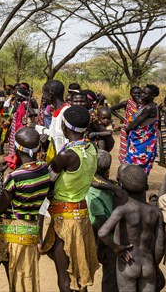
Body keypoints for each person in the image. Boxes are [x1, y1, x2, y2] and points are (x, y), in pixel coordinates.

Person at [41, 105, 99, 292]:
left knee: (65, 278)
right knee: (79, 273)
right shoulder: (92, 149)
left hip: (65, 220)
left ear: (64, 128)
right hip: (82, 216)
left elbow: (47, 179)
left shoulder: (66, 155)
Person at [0, 127, 50, 292]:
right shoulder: (44, 169)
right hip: (31, 230)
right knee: (25, 278)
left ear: (16, 149)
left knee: (18, 281)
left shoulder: (15, 177)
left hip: (16, 234)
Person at [99, 165, 165, 292]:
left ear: (122, 187)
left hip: (128, 264)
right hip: (147, 263)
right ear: (146, 187)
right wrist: (155, 266)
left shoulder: (121, 210)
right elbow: (160, 245)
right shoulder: (155, 212)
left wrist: (116, 248)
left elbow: (102, 233)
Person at [85, 150, 119, 291]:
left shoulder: (92, 191)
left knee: (109, 282)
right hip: (116, 237)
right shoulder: (114, 186)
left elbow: (100, 221)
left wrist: (99, 247)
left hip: (107, 241)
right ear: (108, 170)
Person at [124, 84, 160, 175]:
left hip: (141, 144)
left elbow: (133, 125)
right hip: (141, 142)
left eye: (145, 93)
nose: (142, 95)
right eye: (142, 92)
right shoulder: (147, 106)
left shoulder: (149, 108)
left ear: (153, 95)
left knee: (134, 168)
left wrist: (127, 128)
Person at [35, 80, 70, 155]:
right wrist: (33, 126)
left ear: (50, 95)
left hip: (64, 158)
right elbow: (52, 133)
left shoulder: (66, 112)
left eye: (44, 93)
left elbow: (67, 140)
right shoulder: (55, 110)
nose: (43, 97)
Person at [111, 86, 142, 163]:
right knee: (124, 149)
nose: (137, 95)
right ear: (131, 94)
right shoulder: (126, 103)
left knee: (136, 150)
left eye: (139, 93)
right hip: (126, 129)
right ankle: (123, 166)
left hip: (139, 130)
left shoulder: (143, 104)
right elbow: (111, 109)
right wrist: (121, 118)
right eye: (135, 93)